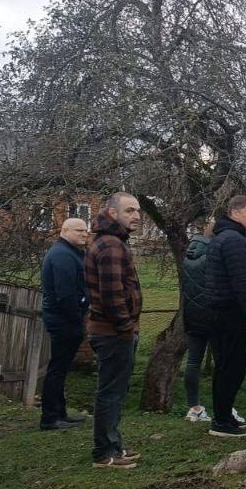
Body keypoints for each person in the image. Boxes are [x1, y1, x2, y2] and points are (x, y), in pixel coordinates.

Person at [85, 192, 144, 469]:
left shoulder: (113, 241)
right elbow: (112, 295)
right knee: (110, 392)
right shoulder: (110, 245)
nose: (137, 216)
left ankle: (114, 446)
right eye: (129, 210)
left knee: (115, 391)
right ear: (111, 213)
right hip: (112, 332)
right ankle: (104, 453)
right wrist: (125, 327)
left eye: (138, 211)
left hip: (112, 330)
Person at [204, 195, 246, 437]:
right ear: (234, 212)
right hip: (231, 313)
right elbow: (242, 281)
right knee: (232, 367)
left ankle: (225, 414)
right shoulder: (234, 240)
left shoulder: (223, 237)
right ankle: (221, 421)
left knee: (225, 365)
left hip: (219, 310)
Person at [39, 217, 91, 431]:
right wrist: (79, 314)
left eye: (86, 231)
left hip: (64, 318)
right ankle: (50, 418)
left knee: (60, 369)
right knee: (57, 369)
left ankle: (59, 413)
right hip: (64, 320)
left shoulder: (69, 253)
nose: (84, 234)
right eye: (79, 230)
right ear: (64, 231)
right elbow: (66, 293)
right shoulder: (62, 255)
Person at [180, 220, 214, 423]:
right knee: (224, 360)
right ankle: (226, 406)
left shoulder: (189, 252)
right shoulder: (213, 254)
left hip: (192, 313)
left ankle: (193, 406)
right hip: (211, 313)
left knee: (193, 360)